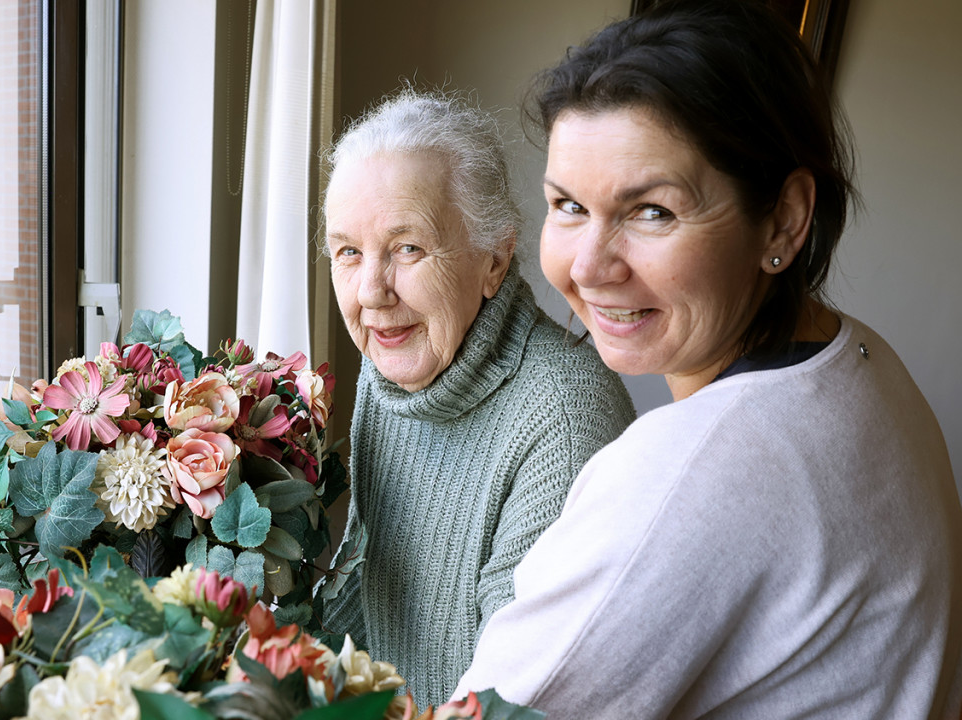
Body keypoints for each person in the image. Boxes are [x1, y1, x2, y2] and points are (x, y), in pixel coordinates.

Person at [454, 2, 962, 717]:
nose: (591, 267)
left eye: (651, 211)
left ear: (784, 219)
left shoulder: (685, 476)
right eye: (567, 205)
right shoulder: (862, 359)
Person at [320, 89, 635, 707]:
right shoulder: (394, 368)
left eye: (408, 247)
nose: (372, 291)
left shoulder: (563, 423)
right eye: (348, 252)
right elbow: (364, 594)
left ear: (494, 259)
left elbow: (509, 700)